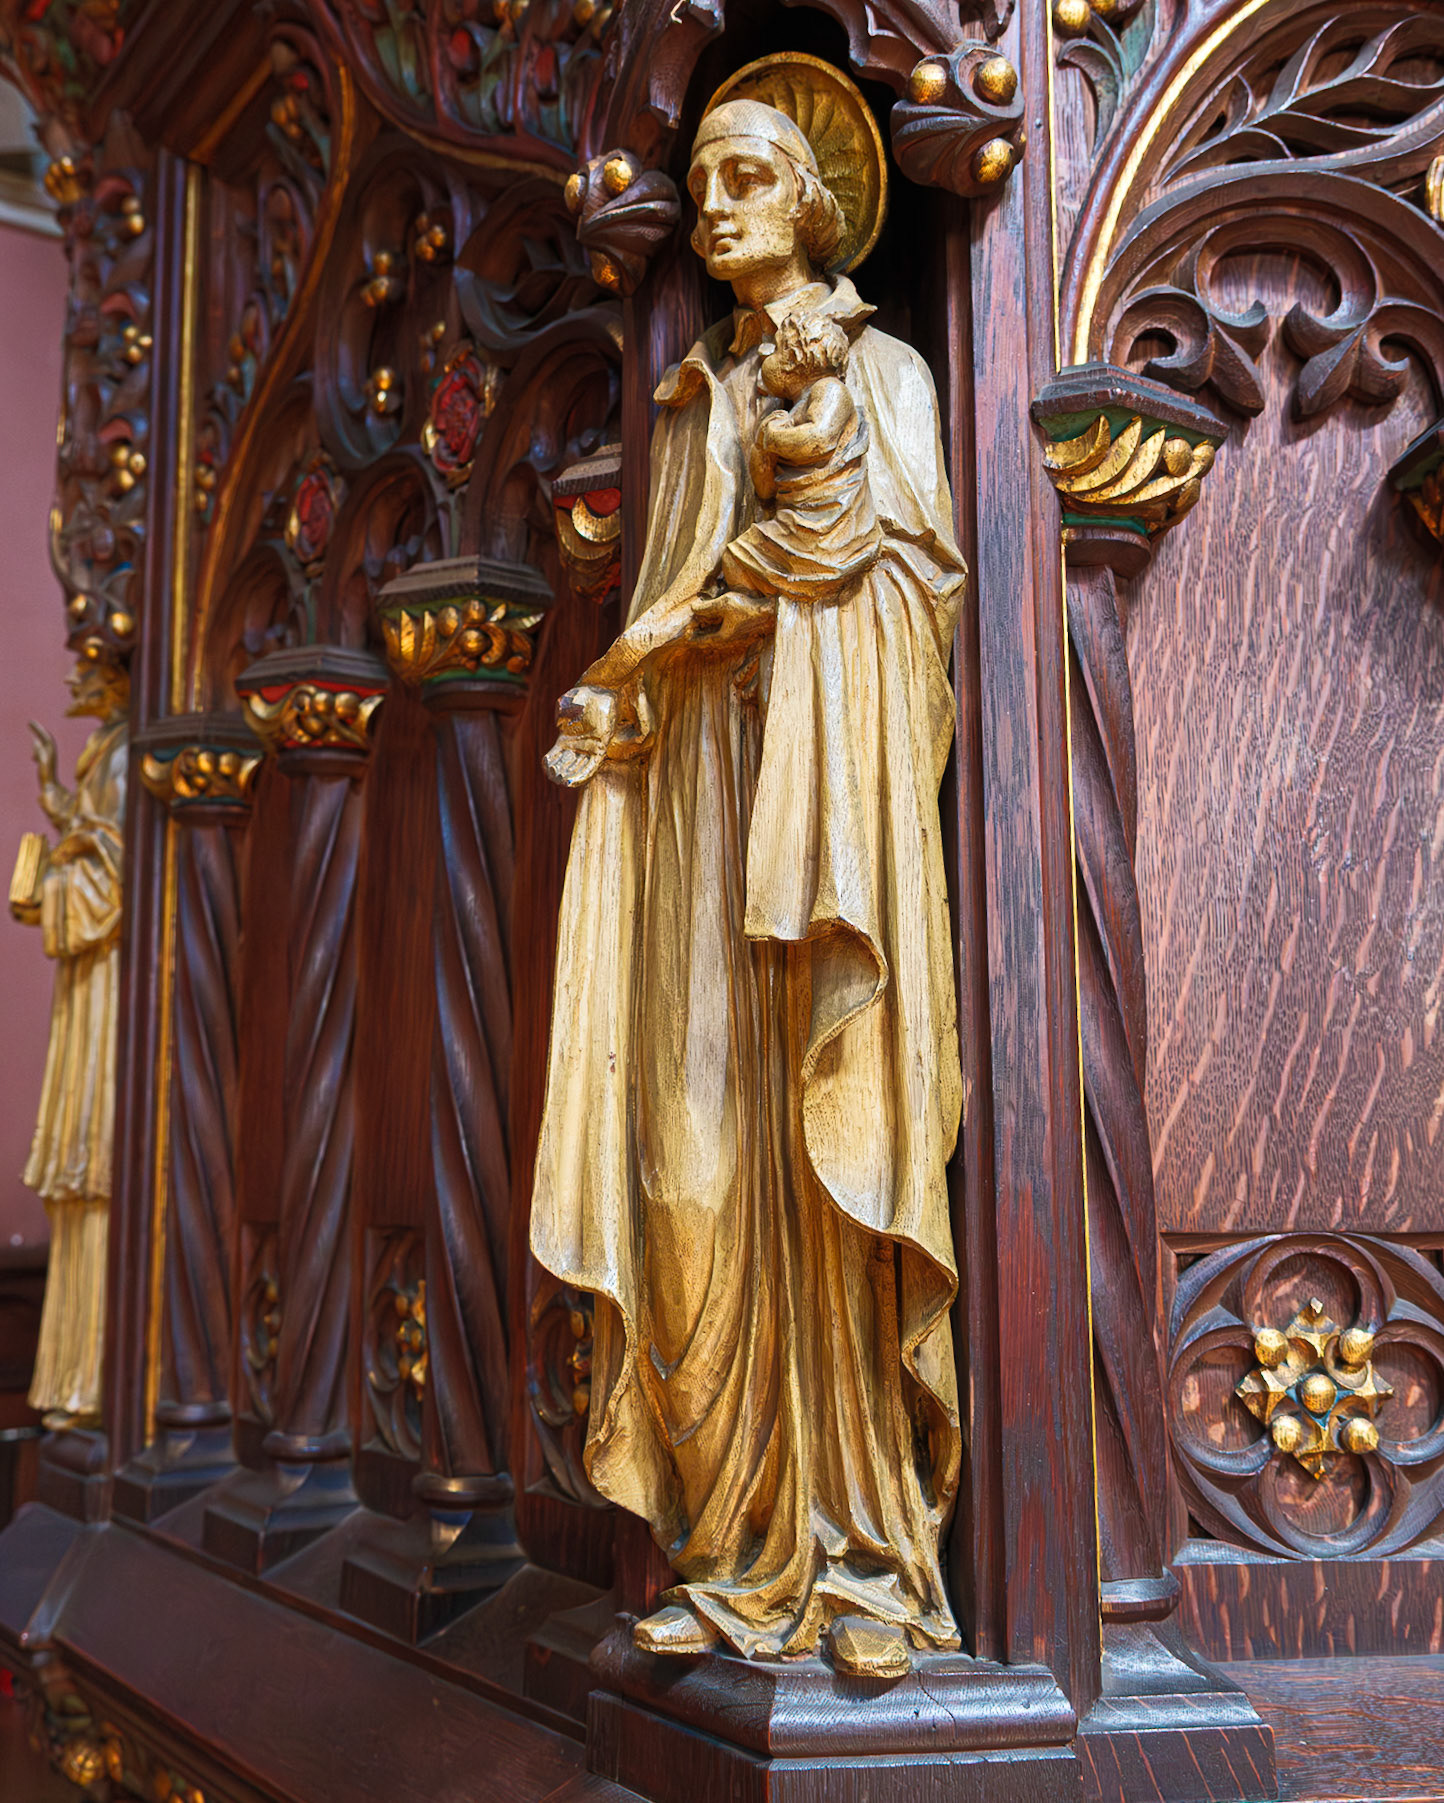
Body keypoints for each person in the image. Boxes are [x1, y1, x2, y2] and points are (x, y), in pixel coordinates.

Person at [531, 76, 967, 1678]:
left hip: (822, 810)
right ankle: (728, 1546)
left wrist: (804, 544)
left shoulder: (887, 370)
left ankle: (860, 1554)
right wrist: (632, 682)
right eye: (700, 180)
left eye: (745, 178)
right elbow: (666, 592)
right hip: (700, 818)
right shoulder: (692, 396)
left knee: (824, 1148)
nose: (713, 205)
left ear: (813, 204)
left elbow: (925, 587)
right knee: (688, 1174)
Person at [11, 654, 128, 1428]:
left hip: (111, 989)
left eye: (89, 663)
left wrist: (41, 885)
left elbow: (111, 889)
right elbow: (101, 840)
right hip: (89, 989)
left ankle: (93, 1379)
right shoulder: (107, 749)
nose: (71, 681)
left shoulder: (123, 751)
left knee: (96, 1171)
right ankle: (75, 1379)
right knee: (81, 1183)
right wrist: (59, 800)